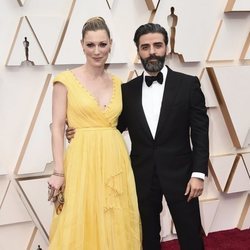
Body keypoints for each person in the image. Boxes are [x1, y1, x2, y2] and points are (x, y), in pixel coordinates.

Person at [67, 23, 209, 250]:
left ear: (166, 47)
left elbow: (201, 132)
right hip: (140, 176)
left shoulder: (188, 85)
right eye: (145, 47)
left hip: (182, 176)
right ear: (138, 50)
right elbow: (110, 126)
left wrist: (199, 173)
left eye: (157, 45)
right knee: (146, 236)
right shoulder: (126, 91)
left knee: (190, 234)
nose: (152, 51)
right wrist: (81, 129)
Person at [48, 16, 141, 250]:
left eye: (102, 44)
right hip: (81, 161)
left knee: (115, 220)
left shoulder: (120, 84)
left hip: (115, 160)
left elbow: (128, 122)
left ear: (111, 43)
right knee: (80, 219)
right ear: (82, 45)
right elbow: (57, 127)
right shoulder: (65, 81)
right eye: (91, 45)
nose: (97, 51)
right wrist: (58, 172)